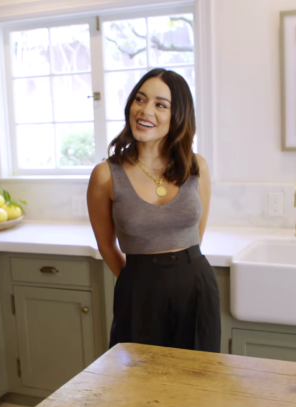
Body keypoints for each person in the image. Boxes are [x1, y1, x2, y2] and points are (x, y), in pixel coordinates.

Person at [87, 68, 219, 353]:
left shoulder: (197, 167)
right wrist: (139, 281)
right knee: (137, 384)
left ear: (178, 116)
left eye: (161, 105)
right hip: (138, 292)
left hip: (195, 288)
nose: (145, 110)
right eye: (140, 99)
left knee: (197, 384)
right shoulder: (105, 175)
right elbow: (107, 246)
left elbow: (197, 233)